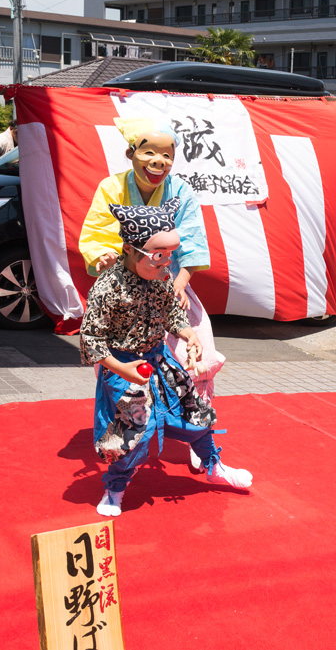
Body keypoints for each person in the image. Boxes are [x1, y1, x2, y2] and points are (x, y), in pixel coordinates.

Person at [80, 199, 251, 517]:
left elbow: (172, 312)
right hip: (124, 369)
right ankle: (114, 489)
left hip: (161, 362)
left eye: (170, 257)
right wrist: (121, 368)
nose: (167, 265)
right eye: (159, 257)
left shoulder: (159, 277)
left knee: (195, 414)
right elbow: (91, 340)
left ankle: (214, 465)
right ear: (131, 248)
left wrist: (189, 336)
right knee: (130, 434)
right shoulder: (106, 289)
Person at [79, 114, 226, 471]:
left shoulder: (181, 192)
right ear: (132, 153)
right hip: (124, 293)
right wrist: (103, 256)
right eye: (149, 153)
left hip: (172, 286)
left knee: (197, 357)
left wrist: (175, 286)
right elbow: (97, 232)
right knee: (118, 372)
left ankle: (197, 434)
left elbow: (192, 241)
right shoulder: (111, 188)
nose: (158, 162)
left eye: (167, 155)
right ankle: (122, 442)